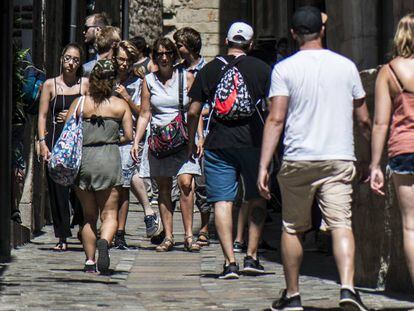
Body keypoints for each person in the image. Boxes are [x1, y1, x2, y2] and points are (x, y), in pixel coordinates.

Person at [257, 6, 371, 311]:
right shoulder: (346, 66)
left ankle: (293, 294)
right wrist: (372, 158)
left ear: (293, 34)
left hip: (299, 158)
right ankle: (348, 288)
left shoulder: (285, 69)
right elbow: (363, 120)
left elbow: (276, 118)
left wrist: (264, 164)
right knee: (341, 224)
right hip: (338, 157)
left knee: (293, 228)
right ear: (322, 30)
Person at [187, 22, 271, 279]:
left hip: (218, 143)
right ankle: (252, 256)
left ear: (226, 41)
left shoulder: (210, 69)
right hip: (254, 142)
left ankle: (229, 262)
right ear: (251, 44)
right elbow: (272, 108)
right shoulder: (262, 69)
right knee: (256, 197)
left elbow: (193, 111)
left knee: (222, 201)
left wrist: (193, 139)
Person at [131, 37, 202, 252]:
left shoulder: (186, 77)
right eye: (159, 54)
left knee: (186, 183)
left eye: (168, 53)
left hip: (183, 137)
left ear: (174, 56)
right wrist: (136, 141)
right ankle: (169, 236)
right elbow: (144, 113)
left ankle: (189, 235)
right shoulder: (149, 81)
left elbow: (195, 111)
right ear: (154, 57)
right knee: (163, 187)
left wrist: (199, 137)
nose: (163, 58)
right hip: (159, 139)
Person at [71, 59, 133, 273]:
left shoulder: (81, 103)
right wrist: (111, 138)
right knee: (109, 214)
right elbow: (129, 136)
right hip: (109, 159)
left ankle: (89, 261)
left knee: (89, 215)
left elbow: (68, 132)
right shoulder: (119, 105)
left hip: (84, 159)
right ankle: (105, 242)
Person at [370, 13, 414, 287]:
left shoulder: (389, 72)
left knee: (411, 224)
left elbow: (380, 122)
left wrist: (375, 165)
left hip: (404, 150)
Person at [38, 43, 89, 251]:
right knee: (57, 189)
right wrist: (42, 142)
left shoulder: (84, 85)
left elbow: (91, 108)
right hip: (56, 140)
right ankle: (62, 236)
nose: (71, 63)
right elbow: (42, 115)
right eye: (68, 58)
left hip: (77, 141)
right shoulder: (51, 85)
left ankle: (82, 223)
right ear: (61, 58)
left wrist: (72, 114)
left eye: (75, 60)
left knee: (79, 187)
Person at [113, 40, 160, 249]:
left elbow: (142, 112)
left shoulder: (138, 81)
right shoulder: (108, 77)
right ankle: (147, 211)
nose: (124, 64)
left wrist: (125, 97)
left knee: (124, 183)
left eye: (128, 60)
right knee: (122, 181)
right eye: (121, 59)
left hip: (129, 136)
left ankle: (120, 232)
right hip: (108, 134)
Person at [173, 27, 211, 247]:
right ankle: (187, 230)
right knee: (184, 184)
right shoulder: (177, 72)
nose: (178, 49)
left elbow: (213, 104)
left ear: (190, 46)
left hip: (203, 133)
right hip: (181, 133)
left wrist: (197, 111)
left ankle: (204, 227)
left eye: (180, 45)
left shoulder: (207, 70)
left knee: (203, 185)